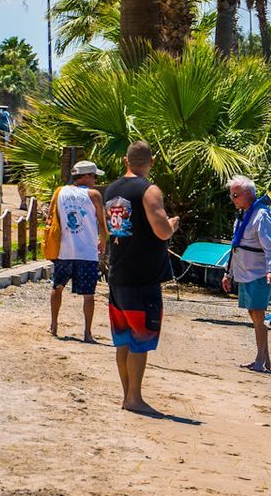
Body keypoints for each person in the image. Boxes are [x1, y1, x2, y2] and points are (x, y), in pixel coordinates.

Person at [103, 141, 179, 415]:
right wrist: (171, 225)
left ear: (126, 160)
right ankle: (134, 397)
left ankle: (128, 396)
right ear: (152, 161)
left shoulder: (111, 189)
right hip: (142, 276)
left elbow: (111, 228)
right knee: (138, 339)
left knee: (123, 339)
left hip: (118, 273)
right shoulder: (149, 190)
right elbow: (161, 231)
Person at [222, 175, 271, 372]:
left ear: (248, 194)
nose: (233, 199)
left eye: (236, 195)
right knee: (253, 314)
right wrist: (227, 273)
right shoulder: (243, 215)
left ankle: (259, 360)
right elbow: (235, 247)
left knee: (258, 315)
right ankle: (266, 360)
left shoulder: (261, 215)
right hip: (243, 272)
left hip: (258, 273)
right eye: (232, 196)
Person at [48, 160, 108, 341]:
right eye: (94, 176)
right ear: (86, 176)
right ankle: (87, 333)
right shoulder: (93, 195)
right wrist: (103, 242)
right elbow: (102, 223)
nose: (95, 180)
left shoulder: (60, 192)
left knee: (57, 287)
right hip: (87, 252)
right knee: (88, 294)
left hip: (64, 250)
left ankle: (54, 325)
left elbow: (50, 217)